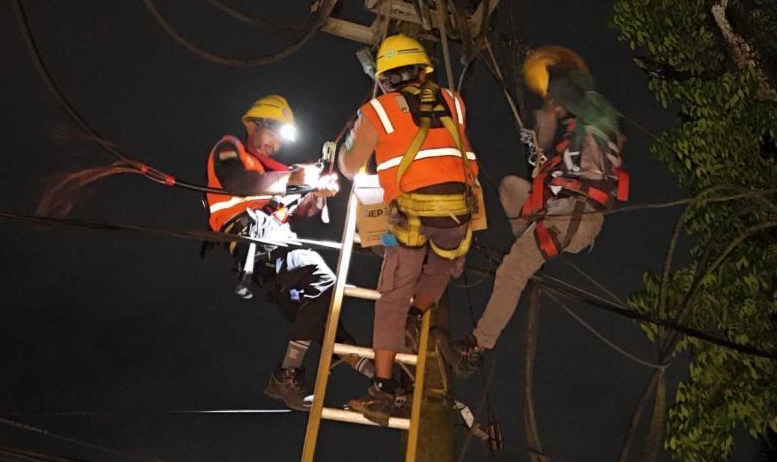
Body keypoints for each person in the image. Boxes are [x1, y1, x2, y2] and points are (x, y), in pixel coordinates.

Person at [436, 46, 628, 375]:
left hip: (573, 217)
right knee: (511, 187)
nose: (555, 104)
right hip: (561, 209)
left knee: (512, 272)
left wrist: (549, 66)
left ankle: (475, 348)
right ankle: (526, 245)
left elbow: (561, 89)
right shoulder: (581, 133)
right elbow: (551, 146)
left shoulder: (596, 109)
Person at [336, 35, 478, 422]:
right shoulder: (454, 101)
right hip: (457, 213)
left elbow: (349, 167)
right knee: (443, 264)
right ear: (422, 70)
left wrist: (343, 146)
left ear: (384, 79)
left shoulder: (377, 110)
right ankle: (418, 313)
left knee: (393, 293)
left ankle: (383, 388)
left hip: (412, 214)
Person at [205, 94, 363, 410]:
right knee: (323, 279)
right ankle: (287, 375)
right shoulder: (230, 147)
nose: (275, 144)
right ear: (253, 125)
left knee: (322, 318)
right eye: (272, 133)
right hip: (253, 237)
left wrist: (317, 192)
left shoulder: (277, 171)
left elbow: (298, 209)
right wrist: (293, 178)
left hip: (269, 246)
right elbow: (237, 181)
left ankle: (381, 382)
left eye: (280, 139)